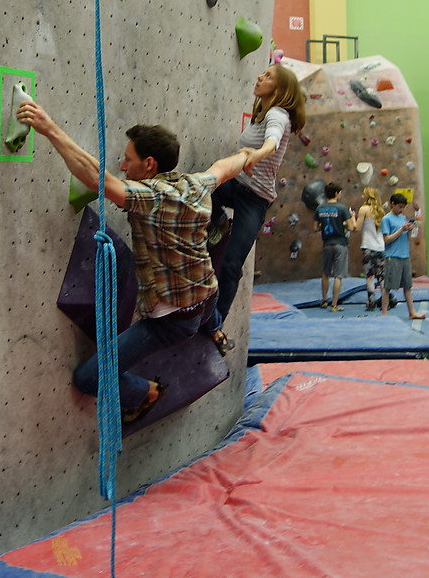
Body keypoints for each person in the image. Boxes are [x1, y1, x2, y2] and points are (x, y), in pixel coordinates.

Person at [16, 100, 251, 421]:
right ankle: (217, 331)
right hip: (207, 295)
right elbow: (227, 165)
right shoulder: (195, 184)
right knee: (207, 312)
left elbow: (95, 175)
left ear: (149, 164)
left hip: (173, 322)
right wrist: (253, 154)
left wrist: (49, 127)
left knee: (88, 377)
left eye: (128, 160)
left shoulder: (149, 197)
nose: (123, 167)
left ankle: (146, 393)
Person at [210, 64, 306, 326]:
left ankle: (217, 322)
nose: (259, 78)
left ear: (280, 88)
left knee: (231, 265)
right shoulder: (261, 114)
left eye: (268, 77)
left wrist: (257, 154)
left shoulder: (278, 115)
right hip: (236, 186)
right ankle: (221, 223)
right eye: (263, 74)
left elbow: (272, 143)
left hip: (255, 198)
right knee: (205, 189)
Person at [381, 193, 426, 320]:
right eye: (399, 207)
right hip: (392, 256)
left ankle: (412, 312)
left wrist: (411, 228)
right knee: (388, 287)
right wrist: (401, 229)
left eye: (403, 207)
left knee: (408, 286)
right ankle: (384, 313)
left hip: (404, 255)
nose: (401, 210)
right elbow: (387, 239)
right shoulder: (386, 219)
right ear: (392, 204)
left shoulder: (403, 218)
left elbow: (412, 234)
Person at [314, 182, 355, 312]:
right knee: (338, 275)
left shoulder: (320, 208)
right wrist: (350, 219)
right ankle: (334, 305)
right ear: (337, 193)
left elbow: (315, 227)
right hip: (340, 244)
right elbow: (351, 227)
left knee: (325, 273)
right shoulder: (342, 208)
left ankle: (325, 300)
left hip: (327, 244)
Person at [353, 186, 385, 311]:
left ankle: (371, 302)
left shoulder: (364, 209)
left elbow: (357, 227)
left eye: (363, 194)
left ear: (368, 196)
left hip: (368, 248)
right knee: (382, 276)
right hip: (381, 247)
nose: (362, 196)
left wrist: (352, 217)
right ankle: (384, 301)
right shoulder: (381, 211)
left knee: (370, 276)